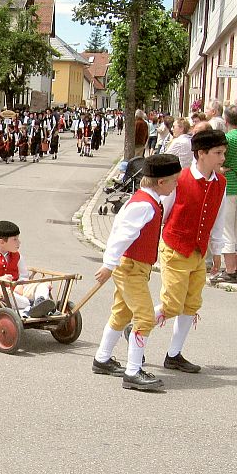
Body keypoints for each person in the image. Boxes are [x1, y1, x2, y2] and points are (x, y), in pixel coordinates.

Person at [92, 154, 182, 391]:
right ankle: (133, 371)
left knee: (121, 313)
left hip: (135, 266)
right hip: (130, 267)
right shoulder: (144, 205)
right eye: (174, 180)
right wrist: (108, 264)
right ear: (161, 182)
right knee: (143, 318)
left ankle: (102, 358)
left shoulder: (148, 200)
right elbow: (122, 235)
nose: (176, 185)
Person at [153, 129, 228, 373]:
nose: (222, 158)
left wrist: (216, 251)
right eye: (218, 153)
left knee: (191, 304)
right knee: (172, 303)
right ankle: (138, 326)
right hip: (175, 246)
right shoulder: (180, 180)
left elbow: (218, 218)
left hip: (198, 251)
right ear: (201, 154)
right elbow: (161, 211)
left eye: (223, 153)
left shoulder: (221, 183)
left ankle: (173, 354)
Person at [0, 221, 55, 318]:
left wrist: (20, 284)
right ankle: (31, 305)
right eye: (15, 239)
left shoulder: (17, 256)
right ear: (2, 242)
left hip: (18, 289)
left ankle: (40, 301)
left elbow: (24, 276)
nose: (19, 242)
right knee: (3, 292)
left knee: (42, 285)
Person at [213, 105, 237, 283]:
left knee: (227, 229)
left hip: (230, 187)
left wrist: (220, 169)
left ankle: (230, 269)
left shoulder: (227, 139)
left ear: (226, 121)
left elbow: (217, 163)